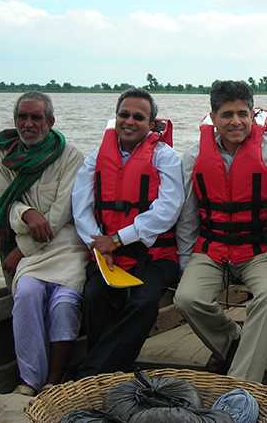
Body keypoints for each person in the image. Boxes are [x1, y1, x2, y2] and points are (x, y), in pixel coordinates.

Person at [174, 80, 267, 382]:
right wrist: (184, 260)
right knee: (187, 298)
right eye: (227, 115)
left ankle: (241, 386)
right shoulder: (193, 157)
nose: (236, 122)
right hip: (212, 249)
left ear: (252, 114)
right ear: (213, 117)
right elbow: (187, 216)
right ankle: (232, 339)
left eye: (242, 114)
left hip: (262, 251)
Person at [0, 92, 87, 396]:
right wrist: (26, 212)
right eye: (22, 118)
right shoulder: (5, 154)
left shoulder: (70, 156)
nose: (28, 124)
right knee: (25, 294)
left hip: (67, 246)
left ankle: (53, 380)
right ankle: (30, 381)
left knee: (64, 304)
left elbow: (59, 215)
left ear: (50, 122)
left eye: (36, 118)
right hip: (31, 245)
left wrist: (21, 249)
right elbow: (5, 201)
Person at [71, 88, 184, 378]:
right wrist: (98, 244)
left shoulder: (166, 157)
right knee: (94, 296)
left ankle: (90, 374)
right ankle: (113, 372)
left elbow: (168, 208)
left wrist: (119, 238)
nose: (130, 121)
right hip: (109, 253)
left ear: (151, 124)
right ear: (116, 117)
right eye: (124, 114)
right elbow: (80, 206)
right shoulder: (96, 158)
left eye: (139, 117)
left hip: (155, 253)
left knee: (143, 302)